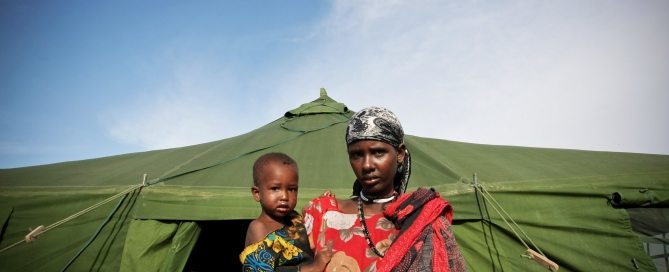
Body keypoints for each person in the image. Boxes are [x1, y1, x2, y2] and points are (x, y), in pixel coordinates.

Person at [302, 106, 467, 272]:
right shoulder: (323, 213)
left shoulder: (421, 216)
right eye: (357, 155)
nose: (367, 165)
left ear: (400, 154)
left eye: (378, 152)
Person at [240, 152, 332, 272]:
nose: (284, 196)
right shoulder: (259, 227)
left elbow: (309, 241)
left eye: (291, 189)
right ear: (257, 193)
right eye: (275, 188)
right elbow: (261, 269)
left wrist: (321, 205)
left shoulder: (294, 219)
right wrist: (313, 267)